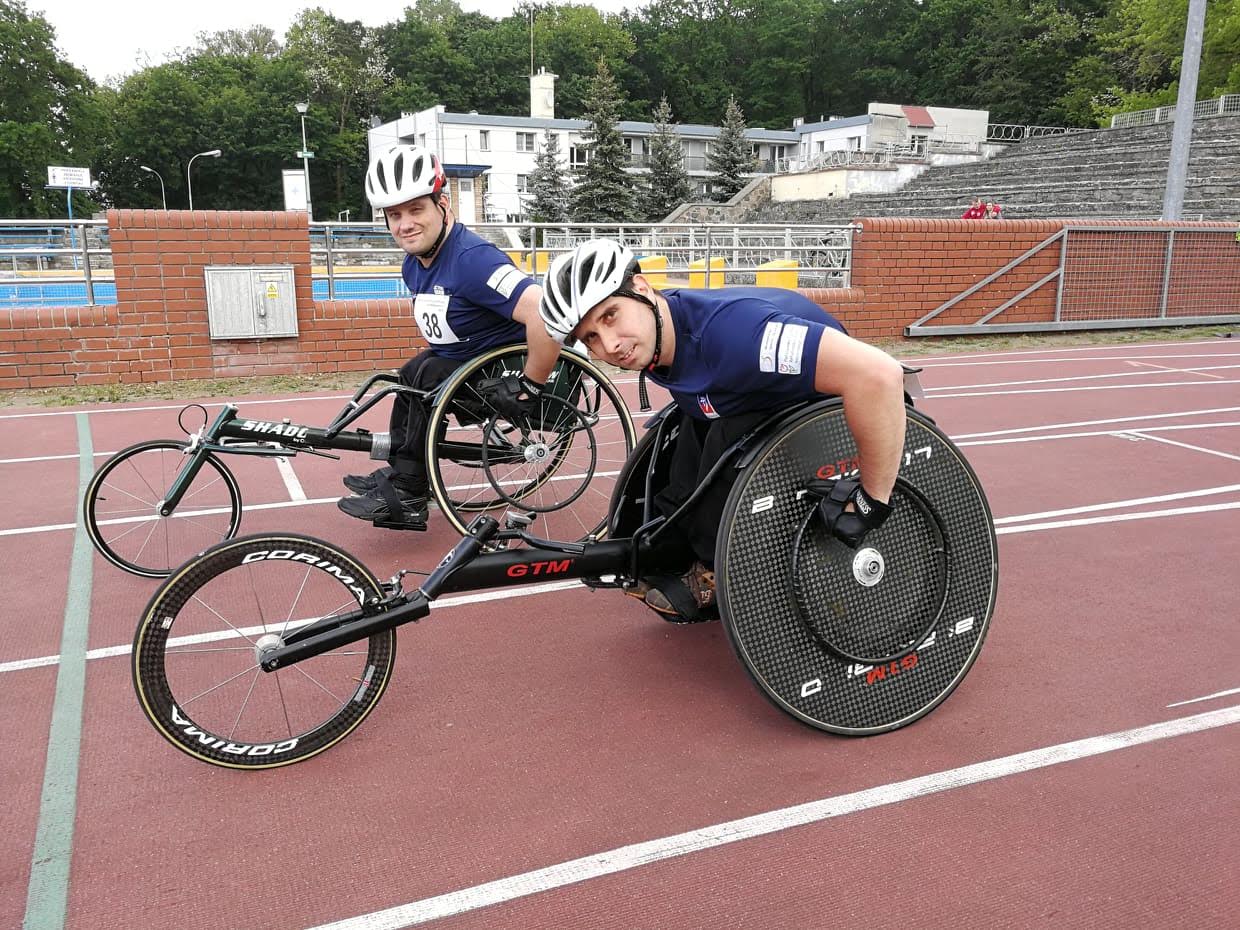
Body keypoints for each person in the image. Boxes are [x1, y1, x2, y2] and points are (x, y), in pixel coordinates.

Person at [538, 239, 907, 621]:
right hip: (746, 396)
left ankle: (717, 566)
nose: (610, 345)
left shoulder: (738, 334)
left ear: (642, 288)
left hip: (820, 411)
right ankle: (667, 542)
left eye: (610, 316)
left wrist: (871, 501)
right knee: (687, 434)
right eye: (591, 338)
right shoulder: (655, 333)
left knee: (729, 447)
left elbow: (878, 375)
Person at [337, 144, 561, 528]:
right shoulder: (415, 263)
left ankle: (409, 492)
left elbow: (543, 313)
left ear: (442, 204)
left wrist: (532, 384)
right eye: (395, 215)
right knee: (411, 372)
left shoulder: (473, 259)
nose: (404, 224)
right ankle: (402, 472)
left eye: (415, 210)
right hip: (463, 364)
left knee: (427, 375)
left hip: (501, 375)